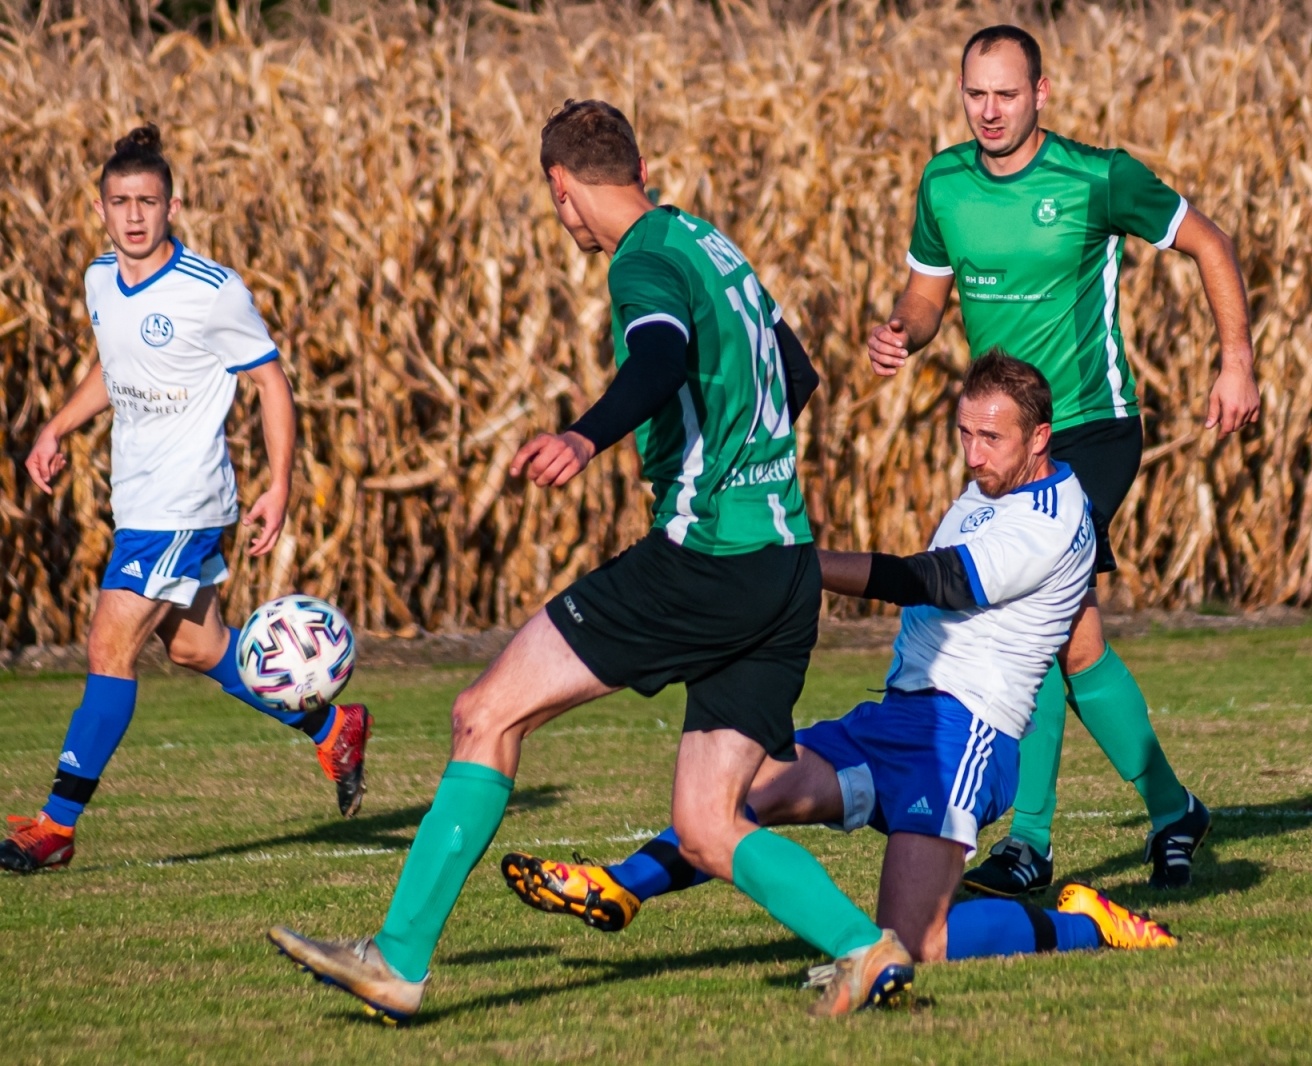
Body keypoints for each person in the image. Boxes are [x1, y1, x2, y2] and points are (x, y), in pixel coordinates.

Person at [266, 99, 913, 1024]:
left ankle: (399, 961)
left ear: (563, 189)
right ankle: (863, 949)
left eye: (555, 201)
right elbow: (796, 372)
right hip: (784, 567)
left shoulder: (644, 257)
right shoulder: (708, 243)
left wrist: (585, 437)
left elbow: (657, 359)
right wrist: (737, 455)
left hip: (705, 560)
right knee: (708, 823)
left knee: (485, 713)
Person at [501, 352, 1177, 966]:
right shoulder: (997, 480)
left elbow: (931, 580)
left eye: (990, 438)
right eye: (965, 434)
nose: (973, 455)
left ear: (1039, 438)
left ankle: (1084, 925)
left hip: (964, 741)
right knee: (740, 795)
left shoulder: (1050, 520)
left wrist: (797, 565)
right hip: (897, 719)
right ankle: (619, 886)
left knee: (917, 944)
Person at [868, 25, 1262, 895]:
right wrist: (905, 332)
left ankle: (1032, 844)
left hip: (1090, 426)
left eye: (1007, 94)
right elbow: (927, 295)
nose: (990, 111)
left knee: (1035, 624)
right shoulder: (944, 182)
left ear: (1041, 94)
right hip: (1003, 438)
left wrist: (1235, 360)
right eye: (976, 94)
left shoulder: (1096, 177)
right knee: (1073, 638)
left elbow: (1212, 243)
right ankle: (1172, 809)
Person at [1, 125, 372, 876]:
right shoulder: (100, 279)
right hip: (136, 498)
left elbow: (270, 381)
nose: (133, 215)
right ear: (100, 209)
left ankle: (57, 824)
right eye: (119, 202)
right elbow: (116, 368)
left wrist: (281, 483)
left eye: (147, 201)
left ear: (172, 205)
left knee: (109, 643)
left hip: (185, 502)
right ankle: (332, 727)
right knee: (198, 647)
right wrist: (56, 426)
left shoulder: (212, 291)